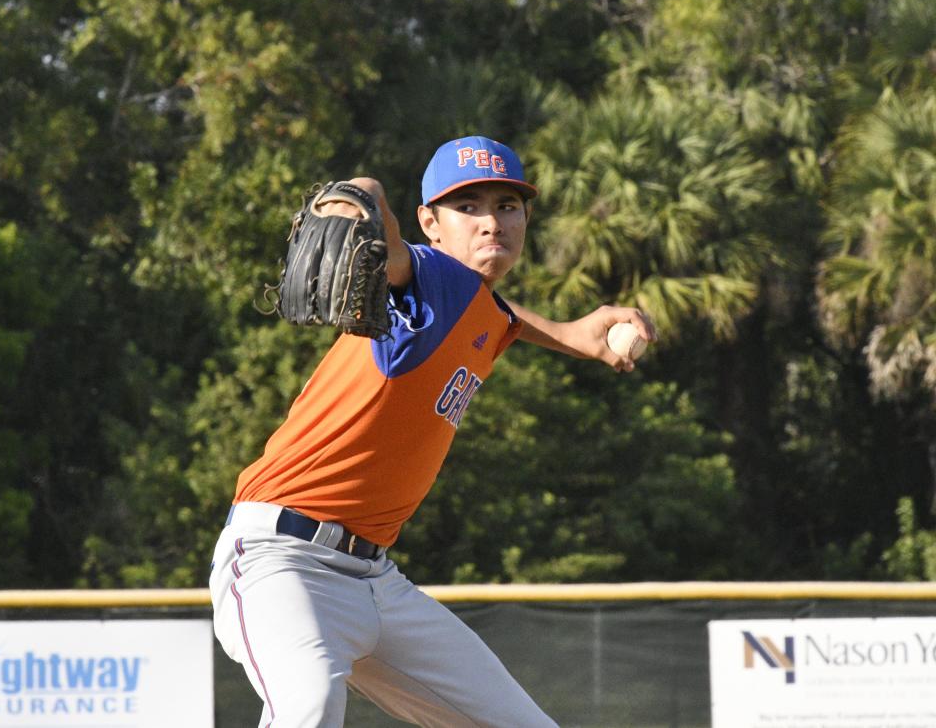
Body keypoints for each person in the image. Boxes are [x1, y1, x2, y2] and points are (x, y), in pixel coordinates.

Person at [209, 135, 656, 727]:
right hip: (282, 562)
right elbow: (385, 230)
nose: (491, 221)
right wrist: (356, 197)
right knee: (307, 709)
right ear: (430, 223)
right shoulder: (425, 273)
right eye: (467, 207)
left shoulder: (478, 310)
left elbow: (502, 319)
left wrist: (573, 334)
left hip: (375, 581)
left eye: (507, 205)